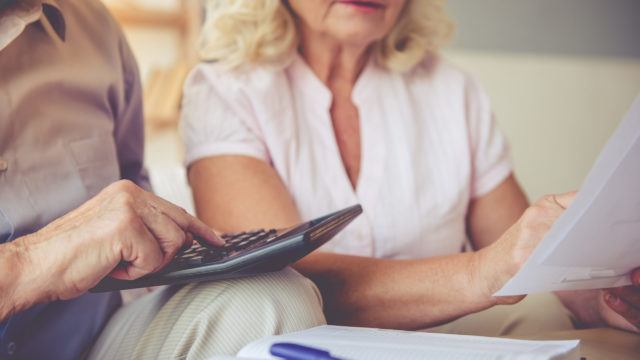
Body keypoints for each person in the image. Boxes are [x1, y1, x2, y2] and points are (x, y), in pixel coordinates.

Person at [182, 0, 640, 335]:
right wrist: (481, 273)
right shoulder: (224, 90)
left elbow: (528, 261)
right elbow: (282, 284)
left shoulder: (452, 91)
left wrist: (606, 299)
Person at [0, 1, 325, 359]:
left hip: (88, 349)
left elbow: (131, 186)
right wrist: (27, 266)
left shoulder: (97, 33)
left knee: (273, 297)